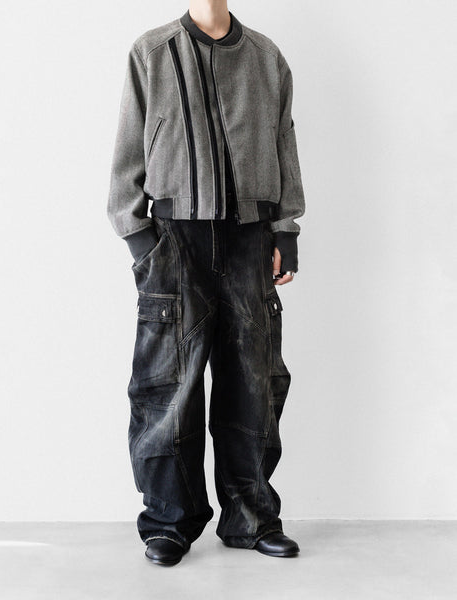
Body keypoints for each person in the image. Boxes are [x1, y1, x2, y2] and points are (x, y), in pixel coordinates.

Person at [107, 0, 306, 566]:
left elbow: (284, 142)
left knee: (254, 383)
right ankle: (169, 521)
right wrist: (141, 239)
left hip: (250, 239)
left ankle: (251, 517)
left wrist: (285, 230)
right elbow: (128, 148)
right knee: (167, 387)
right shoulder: (152, 51)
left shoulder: (266, 57)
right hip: (175, 240)